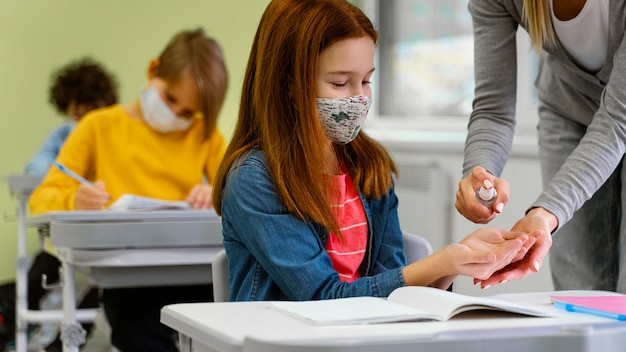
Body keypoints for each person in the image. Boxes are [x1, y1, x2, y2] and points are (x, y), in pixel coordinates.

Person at [211, 0, 539, 302]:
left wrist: (457, 260)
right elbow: (322, 299)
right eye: (340, 83)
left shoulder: (369, 168)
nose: (360, 98)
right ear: (289, 85)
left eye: (366, 81)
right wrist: (440, 261)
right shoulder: (254, 179)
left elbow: (391, 290)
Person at [29, 28, 228, 351]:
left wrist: (217, 192)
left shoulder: (205, 133)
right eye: (170, 98)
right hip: (128, 277)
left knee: (219, 330)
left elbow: (236, 189)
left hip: (195, 270)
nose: (176, 116)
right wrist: (75, 199)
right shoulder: (97, 126)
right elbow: (41, 199)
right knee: (138, 334)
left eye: (189, 112)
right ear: (152, 71)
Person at [455, 0, 626, 292]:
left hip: (618, 115)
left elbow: (616, 120)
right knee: (577, 285)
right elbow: (494, 108)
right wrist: (479, 171)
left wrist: (546, 211)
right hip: (567, 108)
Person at [25, 57, 118, 175]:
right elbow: (35, 167)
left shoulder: (116, 133)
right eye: (77, 113)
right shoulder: (61, 134)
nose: (85, 122)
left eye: (90, 113)